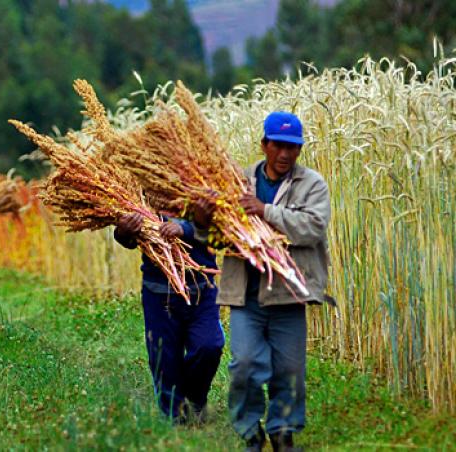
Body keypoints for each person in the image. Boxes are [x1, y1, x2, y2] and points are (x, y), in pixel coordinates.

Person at [217, 112, 331, 452]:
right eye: (278, 145)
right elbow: (216, 231)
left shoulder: (312, 184)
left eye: (292, 147)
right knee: (245, 365)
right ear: (264, 144)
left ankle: (283, 431)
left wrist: (266, 211)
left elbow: (313, 227)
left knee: (290, 369)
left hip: (289, 294)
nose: (285, 154)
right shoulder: (238, 181)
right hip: (246, 294)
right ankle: (250, 430)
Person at [113, 199, 224, 425]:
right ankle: (175, 421)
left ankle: (195, 400)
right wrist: (124, 231)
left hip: (201, 288)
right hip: (158, 292)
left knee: (209, 346)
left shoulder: (201, 182)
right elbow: (125, 237)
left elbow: (223, 230)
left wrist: (185, 229)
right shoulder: (141, 190)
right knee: (164, 359)